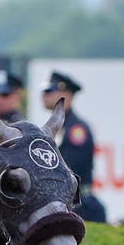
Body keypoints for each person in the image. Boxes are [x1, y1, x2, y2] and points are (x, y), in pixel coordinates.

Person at [41, 70, 106, 223]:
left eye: (50, 91)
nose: (44, 95)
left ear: (67, 95)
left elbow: (70, 168)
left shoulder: (76, 130)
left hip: (79, 204)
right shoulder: (59, 127)